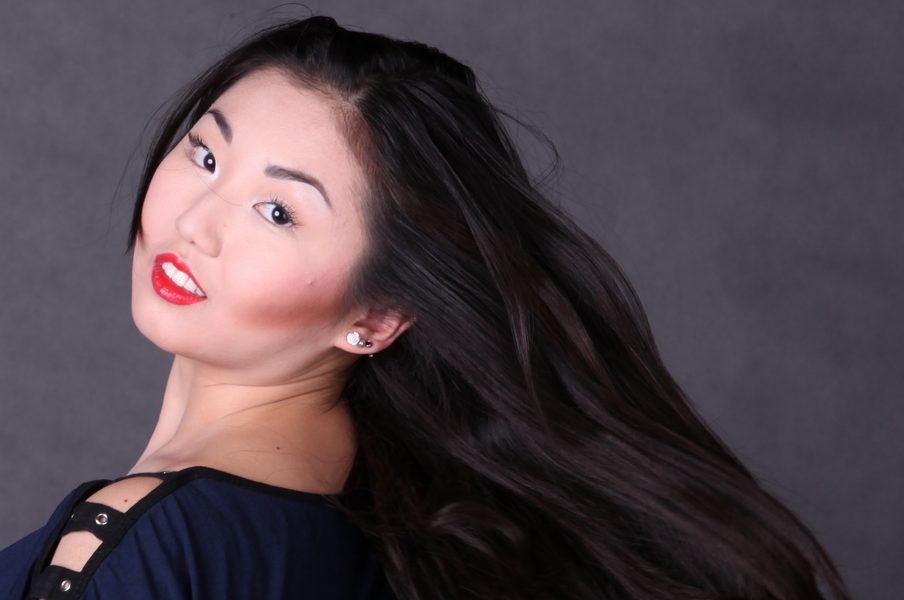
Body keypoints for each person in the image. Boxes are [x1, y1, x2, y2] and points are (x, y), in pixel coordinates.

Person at [0, 14, 849, 600]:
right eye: (206, 155)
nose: (196, 223)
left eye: (278, 212)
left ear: (377, 316)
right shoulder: (397, 533)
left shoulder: (141, 545)